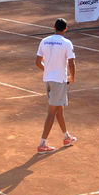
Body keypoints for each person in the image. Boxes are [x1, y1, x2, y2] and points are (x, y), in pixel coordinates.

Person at [36, 18, 76, 154]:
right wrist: (73, 77)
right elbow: (71, 63)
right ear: (65, 29)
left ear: (54, 27)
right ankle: (42, 144)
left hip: (47, 80)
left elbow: (37, 62)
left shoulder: (44, 41)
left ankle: (66, 137)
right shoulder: (67, 43)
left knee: (59, 109)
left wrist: (47, 70)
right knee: (52, 112)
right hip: (58, 81)